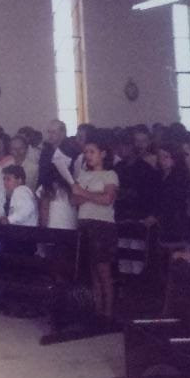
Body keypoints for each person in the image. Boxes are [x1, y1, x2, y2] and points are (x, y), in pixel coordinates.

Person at [71, 137, 120, 322]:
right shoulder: (83, 175)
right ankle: (97, 309)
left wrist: (84, 193)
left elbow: (108, 199)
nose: (88, 156)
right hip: (84, 223)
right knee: (91, 270)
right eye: (86, 152)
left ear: (103, 154)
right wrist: (94, 195)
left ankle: (108, 312)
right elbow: (74, 201)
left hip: (102, 225)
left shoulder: (110, 175)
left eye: (92, 152)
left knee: (103, 270)